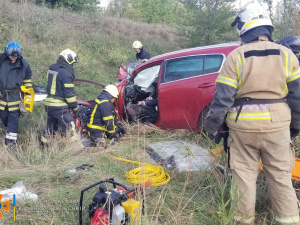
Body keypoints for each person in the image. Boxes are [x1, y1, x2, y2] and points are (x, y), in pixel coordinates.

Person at [204, 4, 300, 224]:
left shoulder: (235, 57)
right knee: (280, 177)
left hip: (242, 128)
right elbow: (297, 97)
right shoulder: (287, 55)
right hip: (278, 126)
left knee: (244, 178)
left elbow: (222, 99)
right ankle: (289, 220)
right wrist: (295, 126)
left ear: (244, 29)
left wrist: (211, 128)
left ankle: (242, 220)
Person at [41, 49, 79, 147]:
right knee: (70, 127)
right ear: (69, 59)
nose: (72, 65)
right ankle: (76, 149)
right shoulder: (66, 73)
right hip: (59, 106)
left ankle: (43, 147)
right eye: (73, 62)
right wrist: (75, 109)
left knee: (50, 127)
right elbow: (69, 95)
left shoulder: (52, 68)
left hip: (49, 103)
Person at [0, 41, 32, 148]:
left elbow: (27, 81)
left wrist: (28, 100)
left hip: (15, 97)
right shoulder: (1, 61)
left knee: (13, 119)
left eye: (15, 57)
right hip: (2, 97)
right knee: (4, 116)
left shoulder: (24, 65)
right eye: (11, 56)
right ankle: (8, 131)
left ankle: (11, 145)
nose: (13, 58)